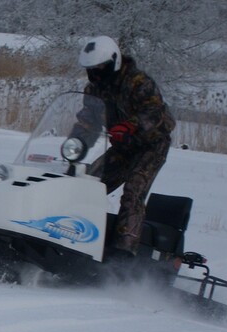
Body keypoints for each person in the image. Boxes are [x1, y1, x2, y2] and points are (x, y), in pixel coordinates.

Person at [74, 35, 176, 258]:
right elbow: (88, 120)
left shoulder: (139, 82)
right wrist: (76, 144)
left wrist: (131, 126)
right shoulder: (94, 90)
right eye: (92, 69)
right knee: (88, 183)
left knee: (134, 190)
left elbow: (155, 113)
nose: (96, 73)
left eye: (101, 67)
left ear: (114, 62)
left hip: (152, 144)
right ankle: (74, 233)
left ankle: (123, 252)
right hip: (123, 146)